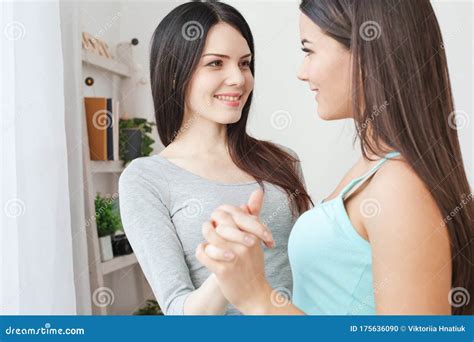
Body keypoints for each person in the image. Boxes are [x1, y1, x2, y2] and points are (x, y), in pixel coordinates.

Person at [196, 0, 473, 315]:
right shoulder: (375, 171)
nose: (302, 72)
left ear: (366, 54)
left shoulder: (398, 189)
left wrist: (258, 297)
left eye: (308, 50)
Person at [119, 1, 312, 315]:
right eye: (215, 63)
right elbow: (180, 313)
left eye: (245, 63)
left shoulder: (282, 161)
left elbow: (307, 273)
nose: (238, 78)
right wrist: (228, 262)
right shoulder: (146, 179)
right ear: (173, 75)